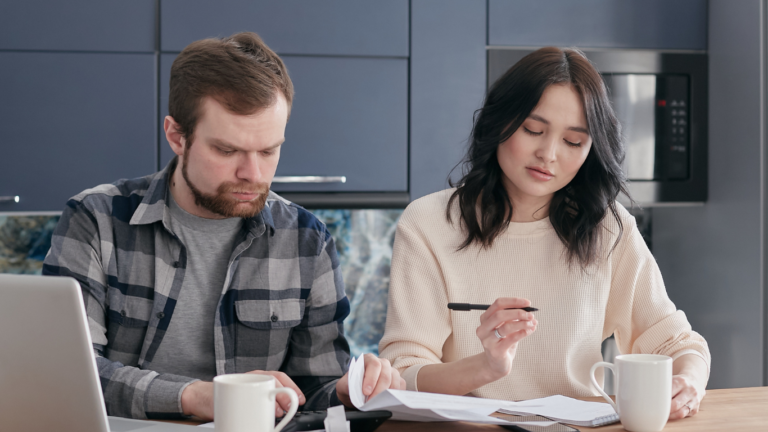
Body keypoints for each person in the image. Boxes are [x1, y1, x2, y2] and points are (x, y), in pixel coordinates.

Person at [43, 32, 404, 421]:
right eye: (227, 150)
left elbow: (312, 391)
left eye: (268, 151)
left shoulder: (306, 240)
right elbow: (66, 374)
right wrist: (195, 396)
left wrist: (348, 390)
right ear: (177, 136)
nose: (252, 174)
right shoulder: (96, 220)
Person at [378, 47, 710, 421]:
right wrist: (487, 367)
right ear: (500, 122)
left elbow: (677, 342)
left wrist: (688, 382)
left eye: (573, 142)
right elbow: (402, 373)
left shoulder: (607, 227)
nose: (548, 153)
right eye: (533, 130)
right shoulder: (428, 223)